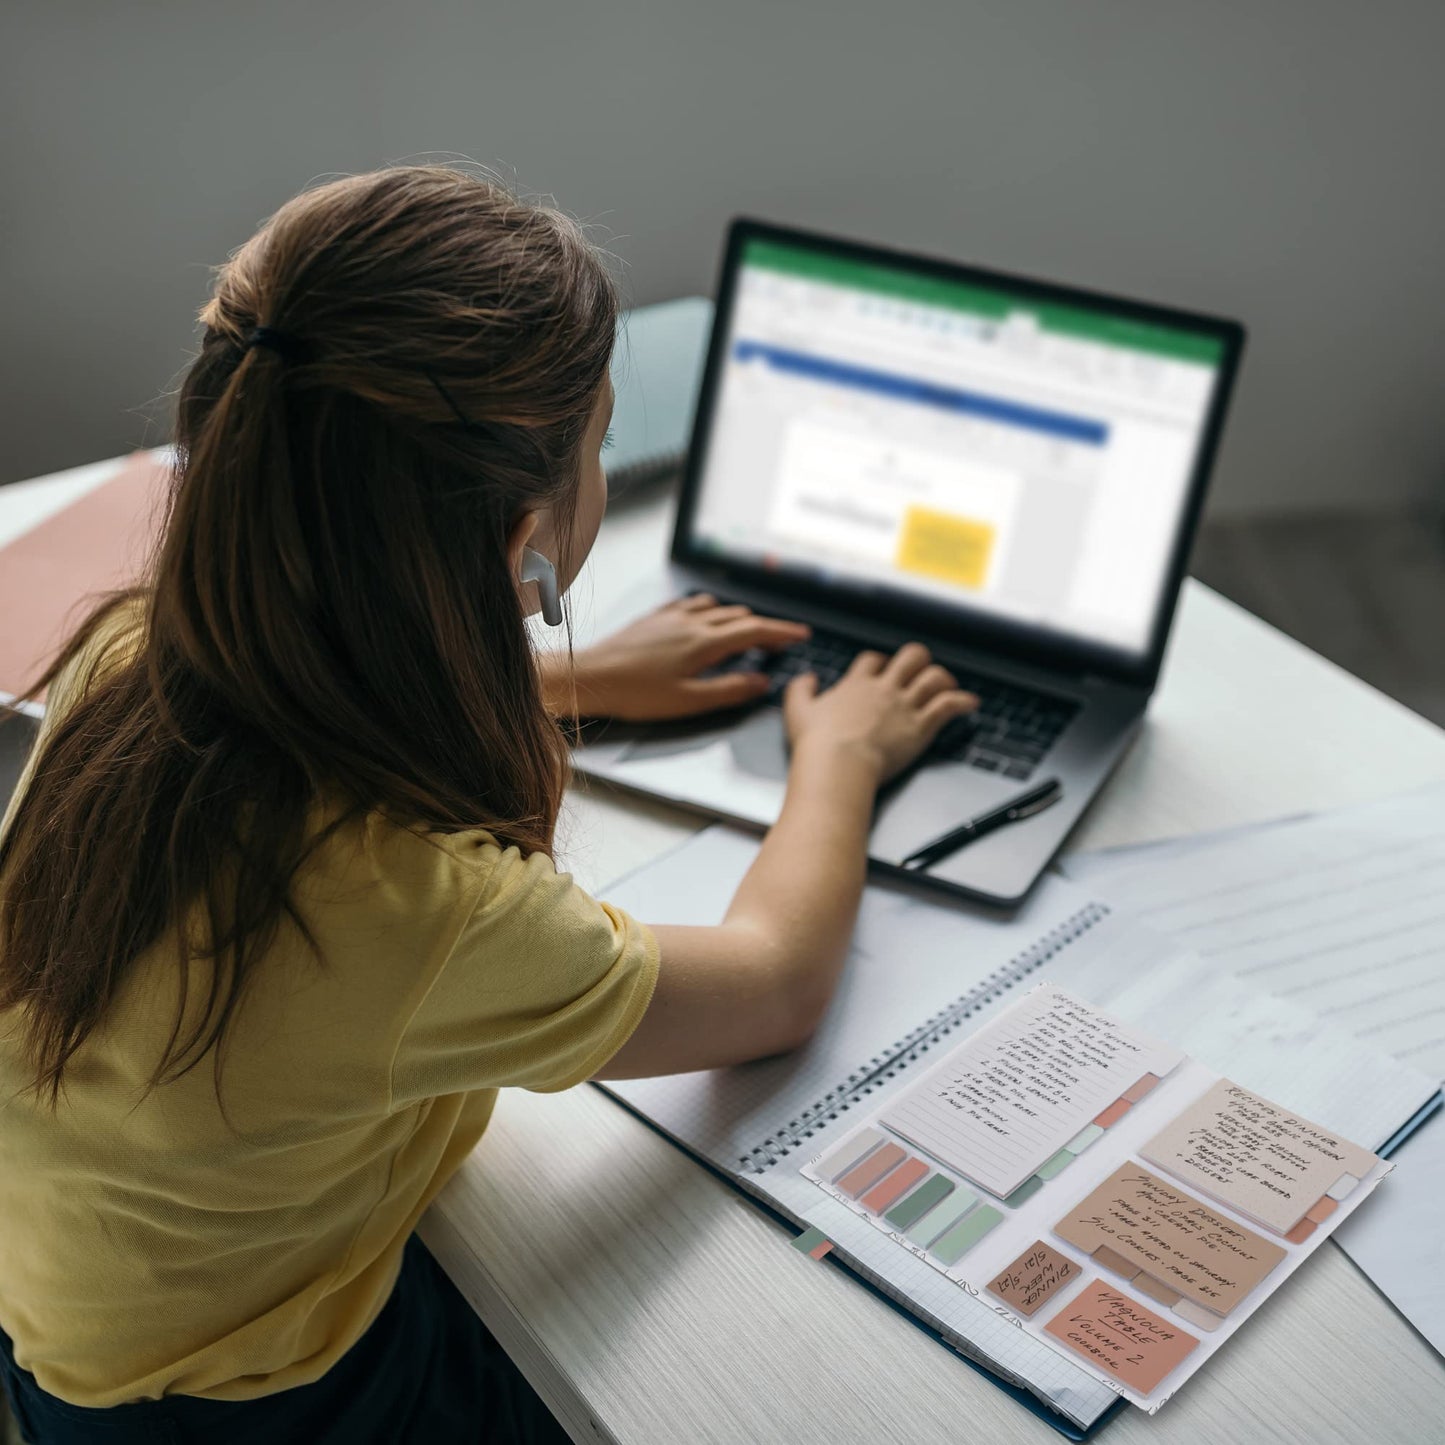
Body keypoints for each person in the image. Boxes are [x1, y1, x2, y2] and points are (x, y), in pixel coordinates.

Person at [0, 165, 977, 1444]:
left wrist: (593, 673)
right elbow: (777, 981)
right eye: (599, 449)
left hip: (78, 1330)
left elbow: (319, 677)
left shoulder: (124, 655)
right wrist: (839, 756)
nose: (603, 475)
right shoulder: (431, 910)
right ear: (525, 535)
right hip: (253, 1409)